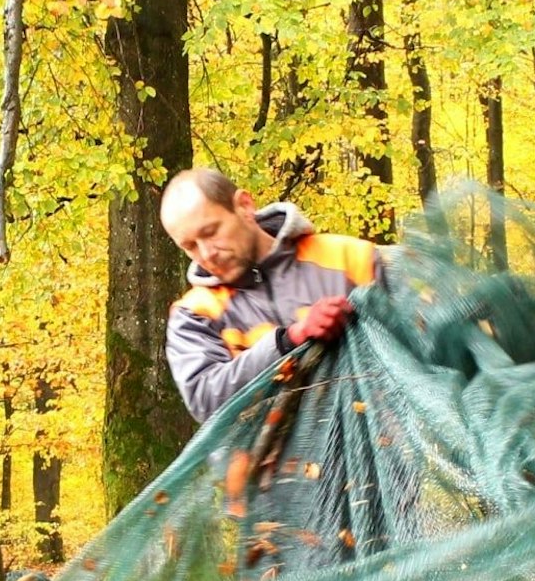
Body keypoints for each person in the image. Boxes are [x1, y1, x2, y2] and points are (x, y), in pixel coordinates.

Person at [159, 168, 385, 423]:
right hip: (264, 462)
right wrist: (287, 341)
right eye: (190, 246)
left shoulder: (351, 258)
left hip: (375, 453)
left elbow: (422, 339)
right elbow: (206, 401)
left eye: (211, 232)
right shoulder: (194, 313)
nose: (207, 253)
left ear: (244, 206)